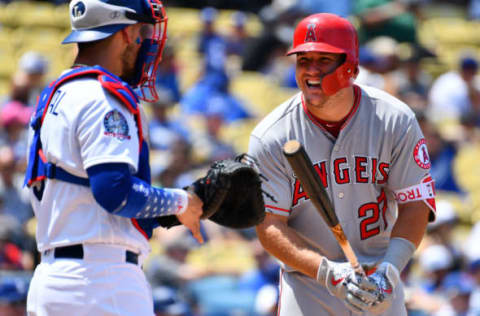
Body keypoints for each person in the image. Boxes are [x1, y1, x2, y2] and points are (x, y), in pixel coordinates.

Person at [23, 0, 205, 315]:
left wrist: (179, 209)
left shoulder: (56, 94)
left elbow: (90, 193)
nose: (144, 41)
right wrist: (181, 202)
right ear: (126, 32)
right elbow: (114, 192)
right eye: (141, 31)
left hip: (54, 278)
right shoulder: (103, 97)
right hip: (100, 282)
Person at [249, 13, 436, 315]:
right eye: (303, 60)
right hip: (310, 283)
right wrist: (329, 273)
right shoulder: (272, 136)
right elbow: (270, 225)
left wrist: (390, 270)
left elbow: (416, 204)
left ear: (351, 67)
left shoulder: (394, 121)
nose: (311, 71)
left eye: (323, 60)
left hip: (380, 278)